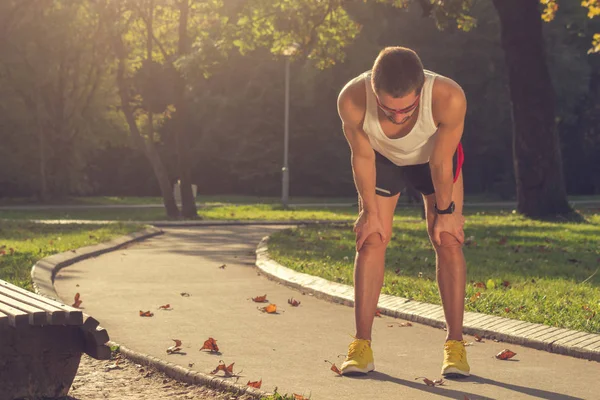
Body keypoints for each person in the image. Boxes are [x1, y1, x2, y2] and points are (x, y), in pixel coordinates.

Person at [336, 46, 469, 378]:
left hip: (433, 160)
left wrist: (447, 211)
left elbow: (441, 162)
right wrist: (368, 211)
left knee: (448, 239)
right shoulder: (352, 98)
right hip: (382, 161)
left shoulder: (448, 96)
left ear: (421, 89)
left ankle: (455, 346)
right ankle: (361, 346)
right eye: (387, 108)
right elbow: (362, 158)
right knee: (371, 239)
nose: (397, 116)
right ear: (373, 89)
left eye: (406, 109)